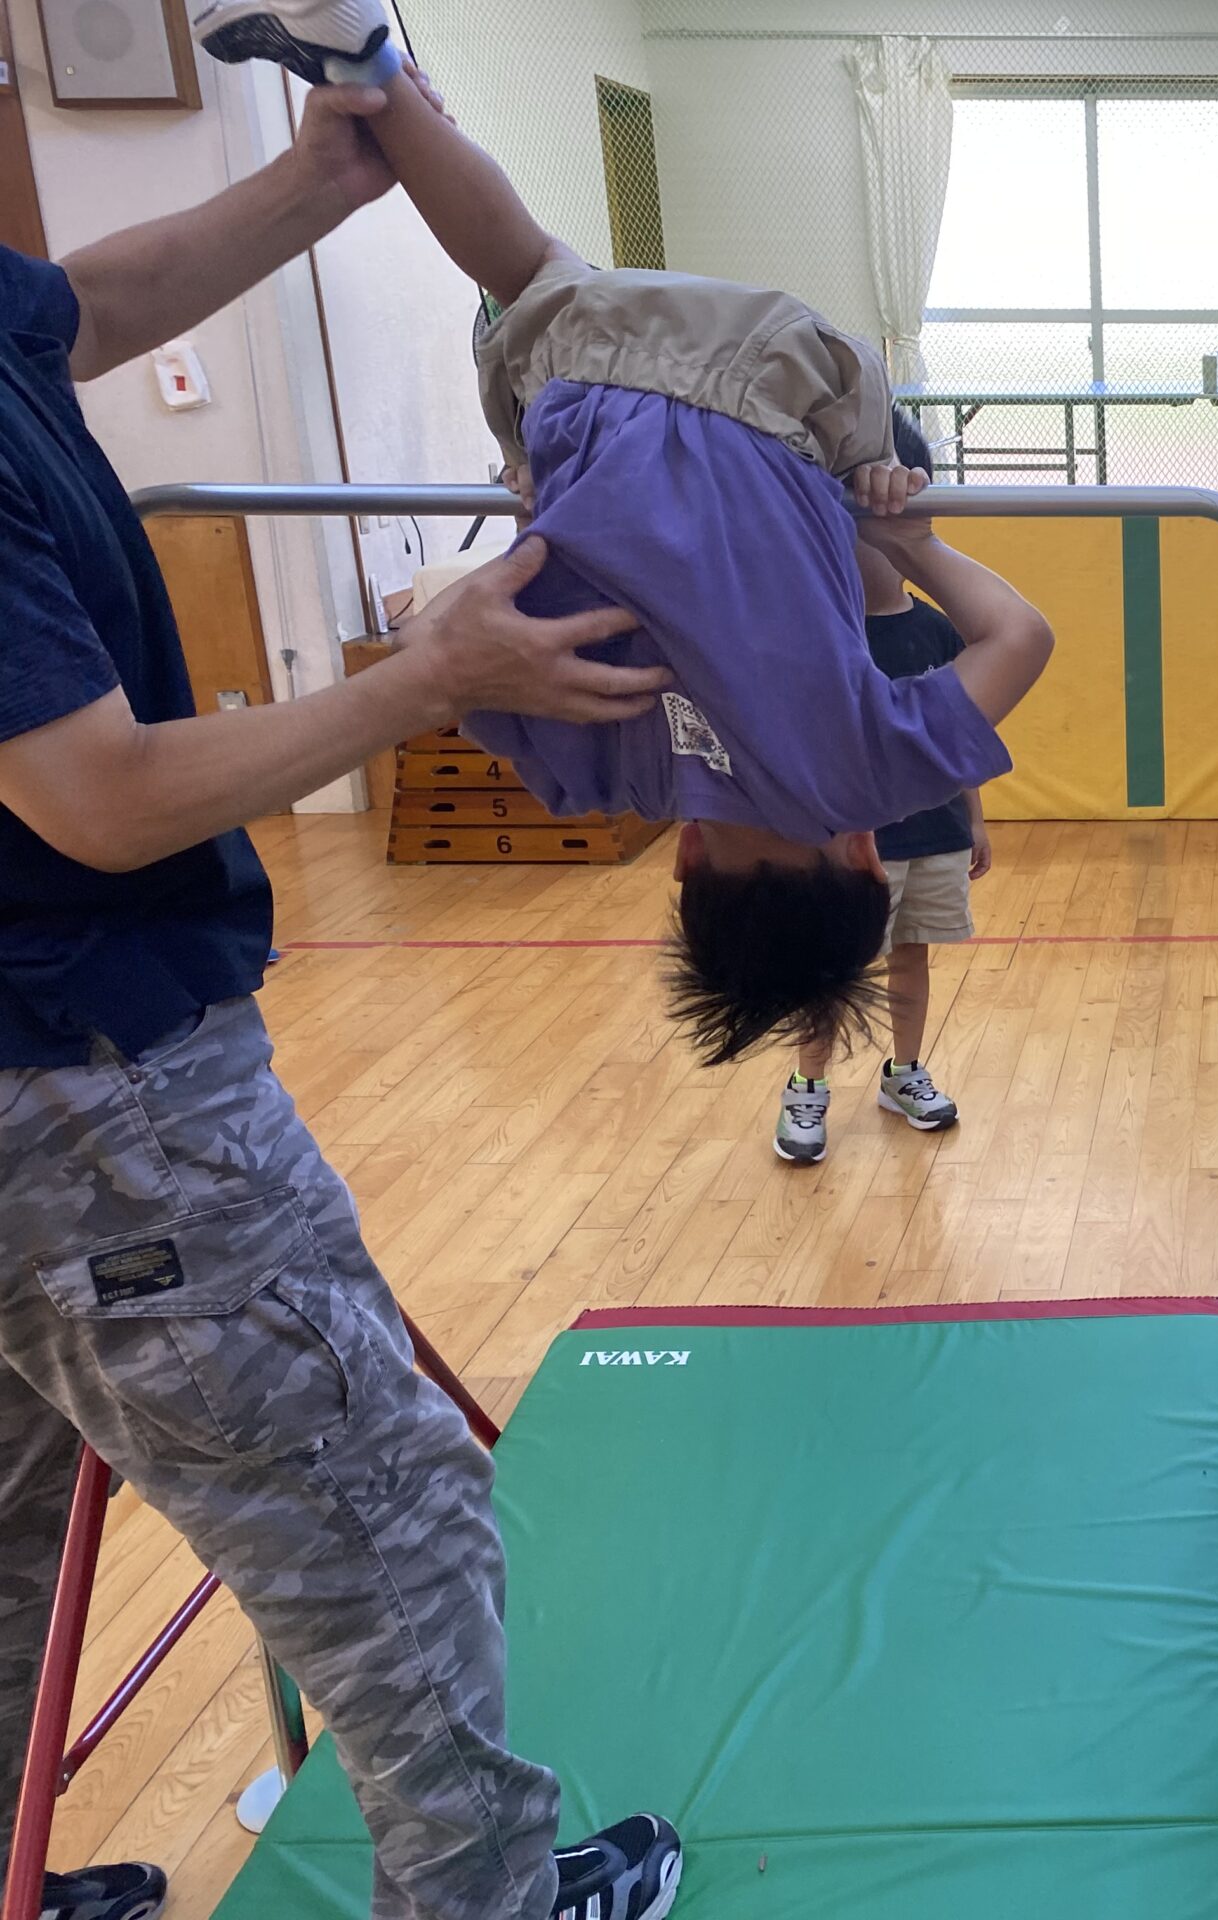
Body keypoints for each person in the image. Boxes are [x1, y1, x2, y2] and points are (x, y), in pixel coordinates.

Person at [0, 40, 689, 1920]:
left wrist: (325, 176)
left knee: (9, 1545)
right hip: (92, 1087)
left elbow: (82, 304)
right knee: (389, 1527)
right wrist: (430, 677)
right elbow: (95, 799)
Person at [197, 0, 1054, 1073]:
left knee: (854, 436)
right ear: (685, 863)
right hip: (583, 402)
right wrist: (530, 501)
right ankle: (374, 74)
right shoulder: (590, 776)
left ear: (867, 863)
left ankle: (372, 73)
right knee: (522, 268)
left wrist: (907, 531)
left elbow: (1022, 637)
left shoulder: (868, 781)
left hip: (779, 388)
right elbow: (435, 648)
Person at [776, 421, 998, 1160]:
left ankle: (903, 1073)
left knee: (912, 956)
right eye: (857, 521)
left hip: (933, 833)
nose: (871, 541)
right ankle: (807, 1086)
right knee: (832, 968)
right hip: (851, 844)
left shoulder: (939, 631)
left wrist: (975, 819)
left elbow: (957, 735)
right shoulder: (820, 637)